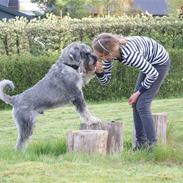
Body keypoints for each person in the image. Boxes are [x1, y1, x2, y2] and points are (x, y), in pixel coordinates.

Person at [92, 33, 170, 151]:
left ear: (107, 53)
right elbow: (105, 81)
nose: (98, 58)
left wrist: (138, 92)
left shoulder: (130, 55)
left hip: (159, 63)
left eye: (99, 56)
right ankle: (140, 144)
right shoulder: (110, 56)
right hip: (148, 63)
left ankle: (153, 147)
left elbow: (153, 74)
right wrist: (98, 71)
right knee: (135, 104)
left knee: (142, 105)